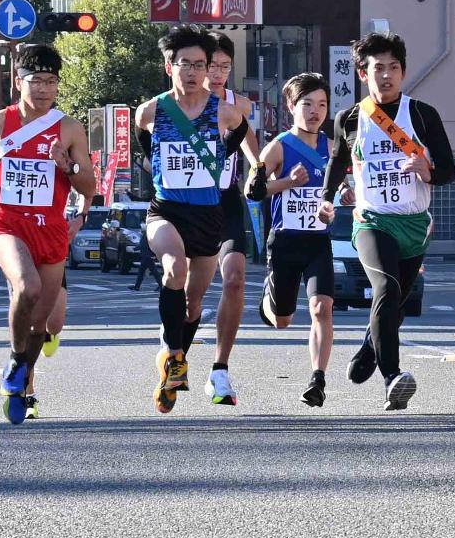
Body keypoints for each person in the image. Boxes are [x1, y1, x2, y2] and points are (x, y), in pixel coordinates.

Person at [0, 41, 98, 425]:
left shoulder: (69, 128)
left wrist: (67, 166)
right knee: (28, 287)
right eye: (35, 80)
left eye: (51, 82)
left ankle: (21, 373)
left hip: (51, 228)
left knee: (43, 321)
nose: (43, 89)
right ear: (18, 82)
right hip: (8, 223)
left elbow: (89, 186)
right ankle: (17, 362)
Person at [322, 30, 455, 409]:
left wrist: (426, 170)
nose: (387, 75)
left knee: (396, 303)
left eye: (393, 68)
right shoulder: (349, 119)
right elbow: (337, 163)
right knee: (388, 289)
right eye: (378, 68)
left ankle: (369, 345)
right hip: (372, 222)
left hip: (415, 224)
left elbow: (449, 170)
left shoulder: (422, 115)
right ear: (363, 74)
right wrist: (327, 199)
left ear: (403, 72)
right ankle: (392, 378)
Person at [135, 27, 253, 412]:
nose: (192, 71)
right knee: (173, 271)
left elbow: (240, 133)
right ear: (169, 66)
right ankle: (173, 353)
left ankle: (173, 367)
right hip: (166, 209)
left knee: (193, 303)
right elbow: (144, 143)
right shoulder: (151, 110)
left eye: (199, 65)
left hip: (209, 213)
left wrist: (218, 159)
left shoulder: (224, 112)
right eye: (184, 63)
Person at [249, 72, 336, 407]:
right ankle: (269, 302)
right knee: (282, 321)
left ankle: (318, 378)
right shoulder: (280, 146)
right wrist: (285, 182)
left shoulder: (332, 148)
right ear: (291, 106)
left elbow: (343, 191)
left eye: (322, 105)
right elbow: (252, 190)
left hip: (318, 242)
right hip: (285, 242)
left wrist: (338, 202)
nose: (315, 112)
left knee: (321, 307)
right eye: (307, 104)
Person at [204, 34, 265, 406]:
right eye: (212, 66)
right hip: (185, 202)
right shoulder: (175, 107)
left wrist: (260, 172)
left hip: (225, 199)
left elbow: (252, 149)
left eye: (225, 67)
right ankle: (173, 340)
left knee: (236, 279)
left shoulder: (238, 104)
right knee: (184, 286)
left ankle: (220, 369)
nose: (217, 74)